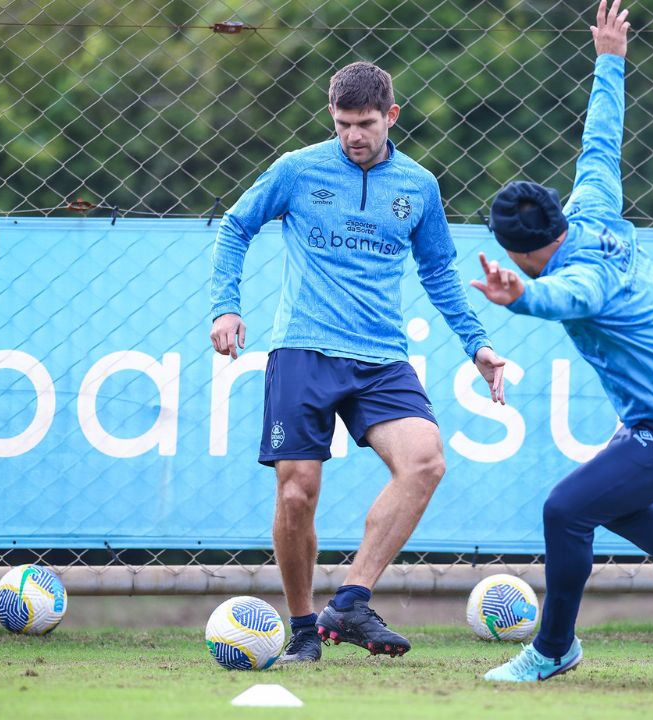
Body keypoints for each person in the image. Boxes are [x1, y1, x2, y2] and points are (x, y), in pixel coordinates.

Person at [472, 0, 653, 682]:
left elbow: (568, 297)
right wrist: (610, 60)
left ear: (520, 256)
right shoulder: (591, 207)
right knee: (615, 503)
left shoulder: (573, 278)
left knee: (565, 508)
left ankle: (552, 650)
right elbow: (600, 141)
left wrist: (522, 299)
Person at [208, 61, 507, 664]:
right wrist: (226, 307)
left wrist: (477, 345)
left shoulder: (418, 185)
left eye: (366, 123)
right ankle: (301, 631)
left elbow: (439, 272)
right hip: (304, 349)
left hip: (380, 356)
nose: (354, 136)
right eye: (343, 124)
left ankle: (348, 601)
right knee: (297, 494)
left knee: (424, 462)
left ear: (391, 117)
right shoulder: (297, 169)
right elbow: (236, 226)